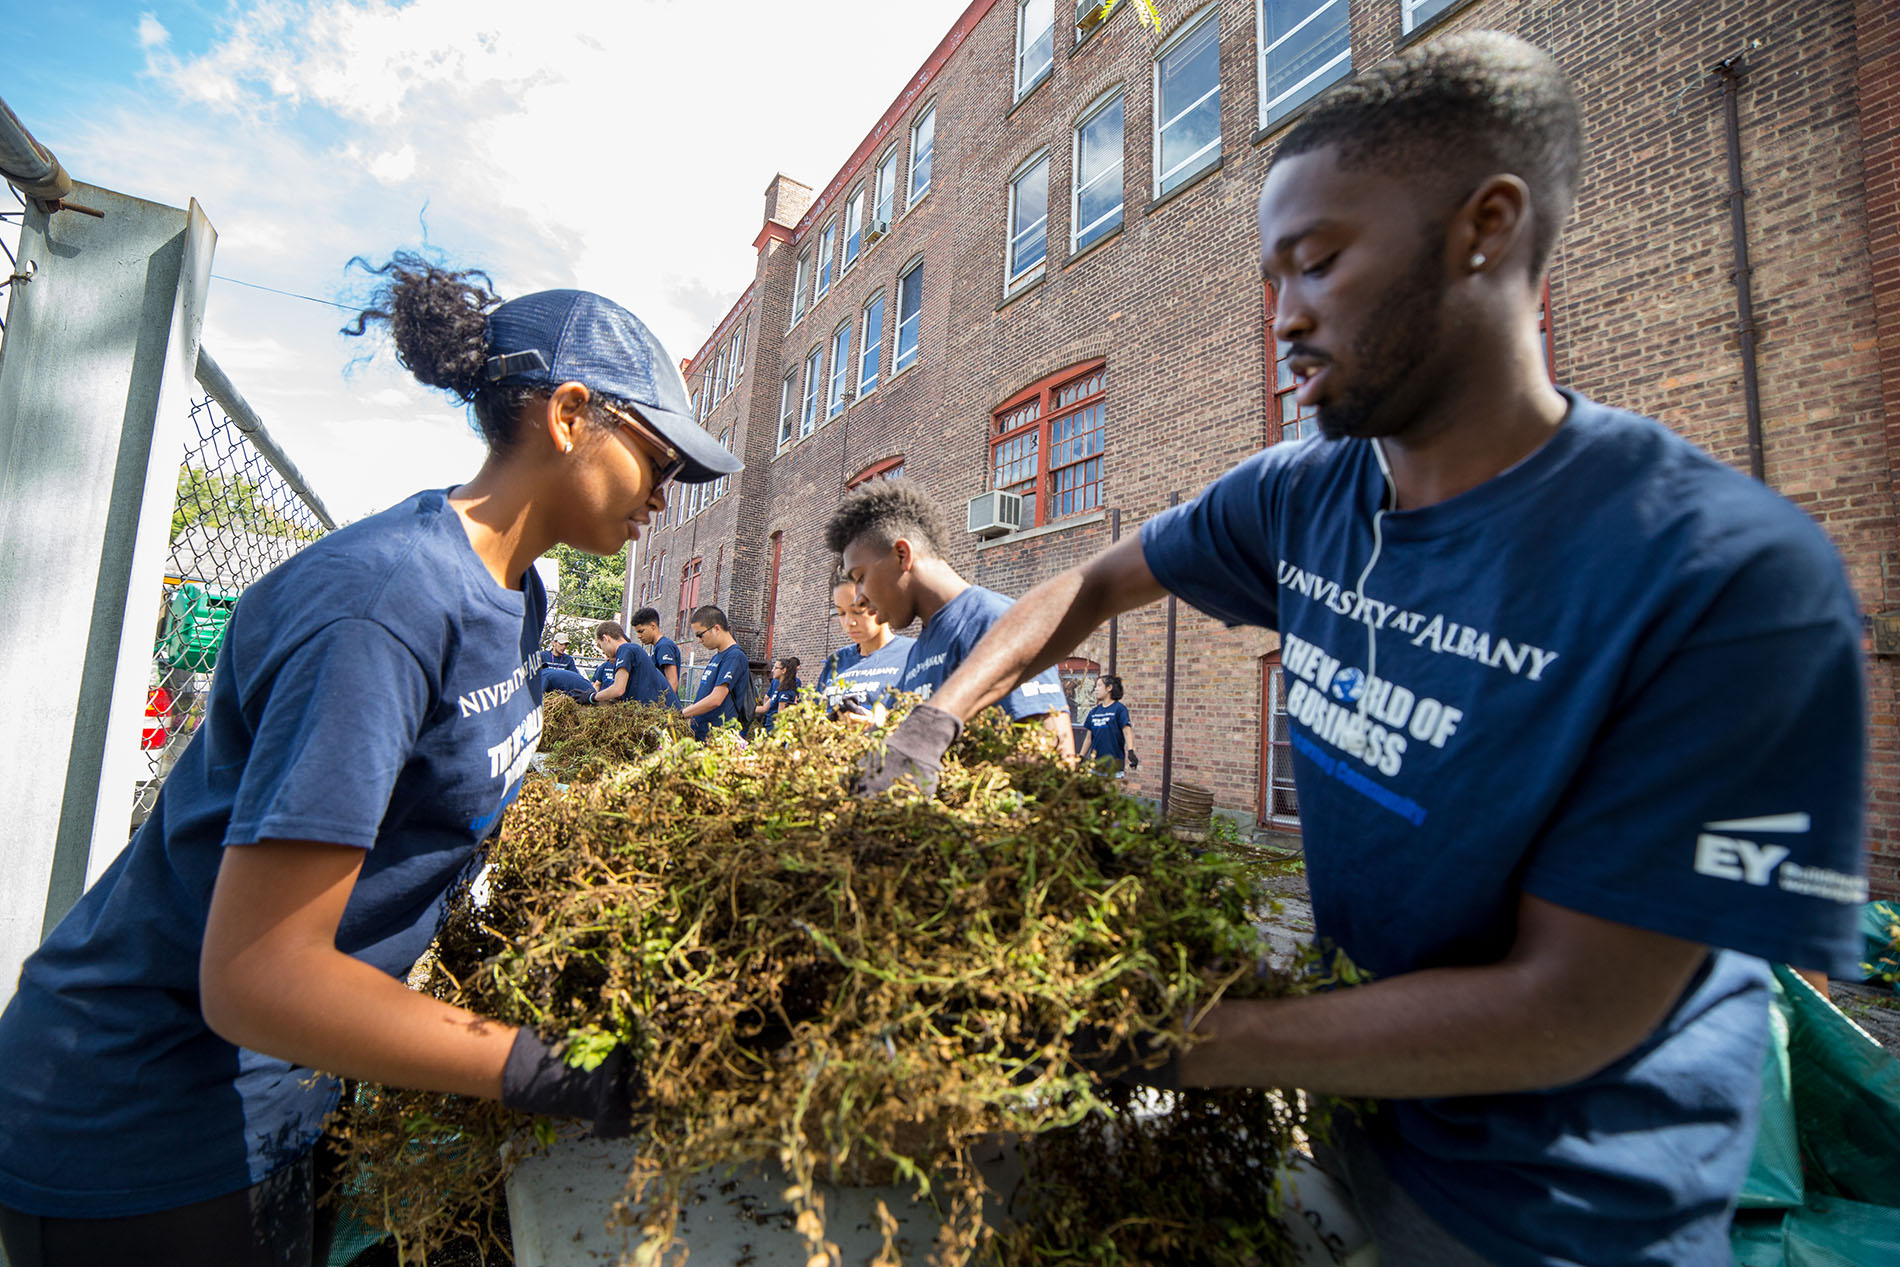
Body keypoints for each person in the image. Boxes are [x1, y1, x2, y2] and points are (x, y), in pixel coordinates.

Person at [852, 34, 1868, 1267]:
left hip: (1561, 1218)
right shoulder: (1303, 496)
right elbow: (1079, 581)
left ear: (1482, 228)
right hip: (1354, 1121)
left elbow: (1570, 1007)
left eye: (1318, 263)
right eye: (1271, 277)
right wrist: (938, 718)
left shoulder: (1720, 576)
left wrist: (1160, 1037)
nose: (1283, 316)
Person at [0, 258, 742, 1267]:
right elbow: (258, 975)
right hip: (145, 1123)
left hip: (286, 1096)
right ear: (571, 414)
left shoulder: (516, 595)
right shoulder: (385, 603)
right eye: (659, 458)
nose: (667, 494)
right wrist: (553, 1071)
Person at [824, 479, 1073, 760]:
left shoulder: (996, 623)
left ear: (902, 555)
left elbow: (1055, 763)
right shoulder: (920, 650)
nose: (860, 597)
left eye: (860, 578)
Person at [815, 570, 915, 723]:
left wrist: (879, 725)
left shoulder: (913, 654)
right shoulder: (836, 661)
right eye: (841, 613)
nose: (849, 622)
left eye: (857, 610)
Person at [680, 605, 753, 740]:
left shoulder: (734, 656)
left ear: (716, 628)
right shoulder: (717, 656)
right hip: (702, 735)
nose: (699, 640)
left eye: (700, 635)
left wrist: (680, 714)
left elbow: (716, 699)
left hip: (716, 739)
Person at [591, 619, 680, 708]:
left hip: (664, 714)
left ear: (605, 638)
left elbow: (618, 689)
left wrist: (592, 697)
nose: (603, 651)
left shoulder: (625, 649)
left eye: (600, 646)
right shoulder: (632, 650)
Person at [1076, 675, 1136, 776]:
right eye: (1095, 686)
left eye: (1099, 686)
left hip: (1113, 764)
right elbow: (1088, 738)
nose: (1096, 689)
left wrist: (1131, 751)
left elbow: (1127, 731)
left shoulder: (1119, 709)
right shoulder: (1094, 712)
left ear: (1109, 688)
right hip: (1095, 764)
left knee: (1111, 791)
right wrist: (1081, 756)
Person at [631, 607, 682, 695]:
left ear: (653, 626)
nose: (639, 636)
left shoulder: (664, 646)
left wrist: (661, 705)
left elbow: (672, 682)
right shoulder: (657, 647)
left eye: (641, 631)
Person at [756, 657, 804, 730]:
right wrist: (745, 709)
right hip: (769, 725)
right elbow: (764, 708)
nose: (772, 670)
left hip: (774, 728)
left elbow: (780, 715)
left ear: (783, 670)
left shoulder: (786, 690)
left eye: (775, 668)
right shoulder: (778, 688)